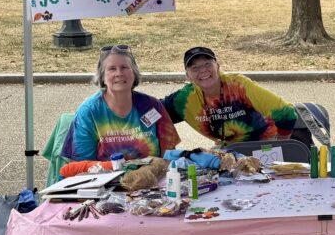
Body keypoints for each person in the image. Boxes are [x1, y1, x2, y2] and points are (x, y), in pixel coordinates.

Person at [63, 45, 180, 161]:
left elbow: (169, 154)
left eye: (124, 67)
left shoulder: (152, 106)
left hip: (151, 176)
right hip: (104, 178)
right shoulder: (89, 112)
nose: (119, 73)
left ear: (134, 74)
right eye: (112, 68)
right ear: (102, 76)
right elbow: (81, 164)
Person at [163, 46, 298, 146]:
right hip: (232, 151)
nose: (203, 70)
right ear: (188, 76)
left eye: (207, 64)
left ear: (218, 66)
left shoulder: (238, 85)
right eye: (195, 68)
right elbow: (151, 111)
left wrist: (281, 146)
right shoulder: (184, 99)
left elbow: (287, 113)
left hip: (266, 145)